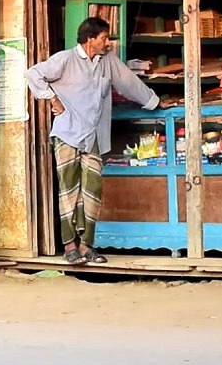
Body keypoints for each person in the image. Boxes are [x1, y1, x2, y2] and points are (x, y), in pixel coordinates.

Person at [26, 17, 162, 266]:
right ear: (90, 39)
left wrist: (155, 102)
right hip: (67, 134)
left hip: (93, 136)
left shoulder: (107, 61)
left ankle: (87, 247)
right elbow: (33, 74)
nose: (107, 42)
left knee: (92, 192)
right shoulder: (65, 59)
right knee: (68, 191)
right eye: (104, 38)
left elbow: (129, 83)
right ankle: (69, 247)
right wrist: (52, 100)